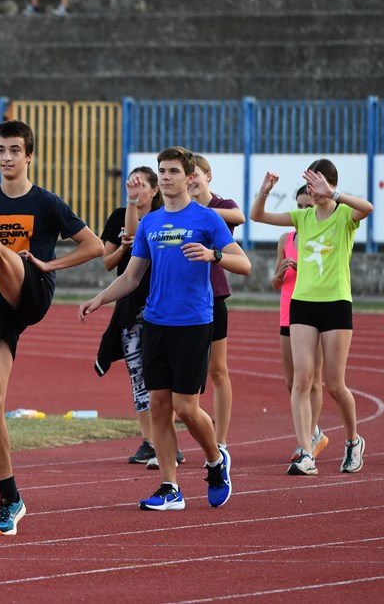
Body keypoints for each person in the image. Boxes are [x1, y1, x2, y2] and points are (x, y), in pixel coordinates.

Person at [0, 119, 103, 535]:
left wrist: (50, 263)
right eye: (0, 150)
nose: (6, 158)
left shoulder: (46, 203)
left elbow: (95, 245)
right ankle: (10, 498)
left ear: (29, 156)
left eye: (13, 150)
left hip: (33, 289)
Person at [78, 146, 249, 511]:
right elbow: (131, 276)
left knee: (186, 408)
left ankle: (216, 461)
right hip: (155, 322)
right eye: (162, 171)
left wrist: (214, 255)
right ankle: (170, 487)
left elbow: (244, 264)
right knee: (158, 405)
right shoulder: (150, 223)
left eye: (173, 171)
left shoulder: (207, 218)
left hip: (194, 322)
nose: (166, 177)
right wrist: (99, 299)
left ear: (189, 178)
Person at [251, 159, 373, 476]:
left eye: (318, 184)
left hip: (336, 304)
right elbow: (257, 216)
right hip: (302, 304)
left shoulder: (345, 215)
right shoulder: (302, 217)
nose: (314, 191)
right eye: (309, 185)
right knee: (301, 380)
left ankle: (353, 440)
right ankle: (306, 451)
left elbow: (367, 208)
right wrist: (264, 191)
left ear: (330, 184)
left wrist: (334, 194)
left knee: (335, 384)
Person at [94, 166, 175, 466]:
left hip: (161, 303)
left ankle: (168, 440)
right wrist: (123, 248)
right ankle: (149, 441)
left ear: (154, 190)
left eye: (141, 185)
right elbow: (108, 262)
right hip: (129, 305)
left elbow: (142, 231)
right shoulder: (119, 216)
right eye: (132, 185)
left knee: (163, 374)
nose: (136, 190)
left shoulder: (163, 217)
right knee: (138, 374)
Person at [186, 155, 245, 453]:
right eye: (187, 176)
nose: (190, 181)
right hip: (183, 297)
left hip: (214, 295)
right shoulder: (179, 209)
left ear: (208, 176)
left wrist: (200, 212)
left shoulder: (221, 206)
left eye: (194, 174)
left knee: (218, 370)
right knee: (183, 372)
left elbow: (239, 216)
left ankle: (220, 441)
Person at [271, 185, 327, 467]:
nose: (304, 211)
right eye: (300, 206)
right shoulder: (286, 239)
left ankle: (310, 438)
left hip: (313, 311)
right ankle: (313, 432)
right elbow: (274, 283)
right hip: (288, 313)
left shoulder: (324, 238)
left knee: (312, 379)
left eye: (309, 206)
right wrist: (281, 272)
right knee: (291, 381)